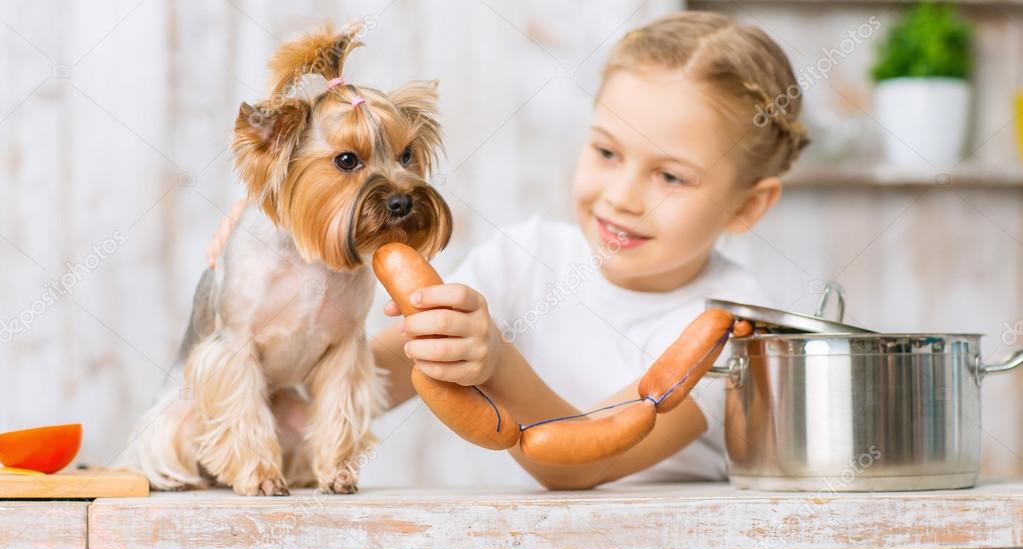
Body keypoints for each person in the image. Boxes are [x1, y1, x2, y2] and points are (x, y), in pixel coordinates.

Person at [214, 11, 810, 490]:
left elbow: (579, 462)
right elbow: (368, 377)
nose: (623, 196)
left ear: (747, 206)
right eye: (607, 152)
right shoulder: (525, 256)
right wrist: (283, 240)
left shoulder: (739, 330)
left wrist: (497, 363)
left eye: (671, 177)